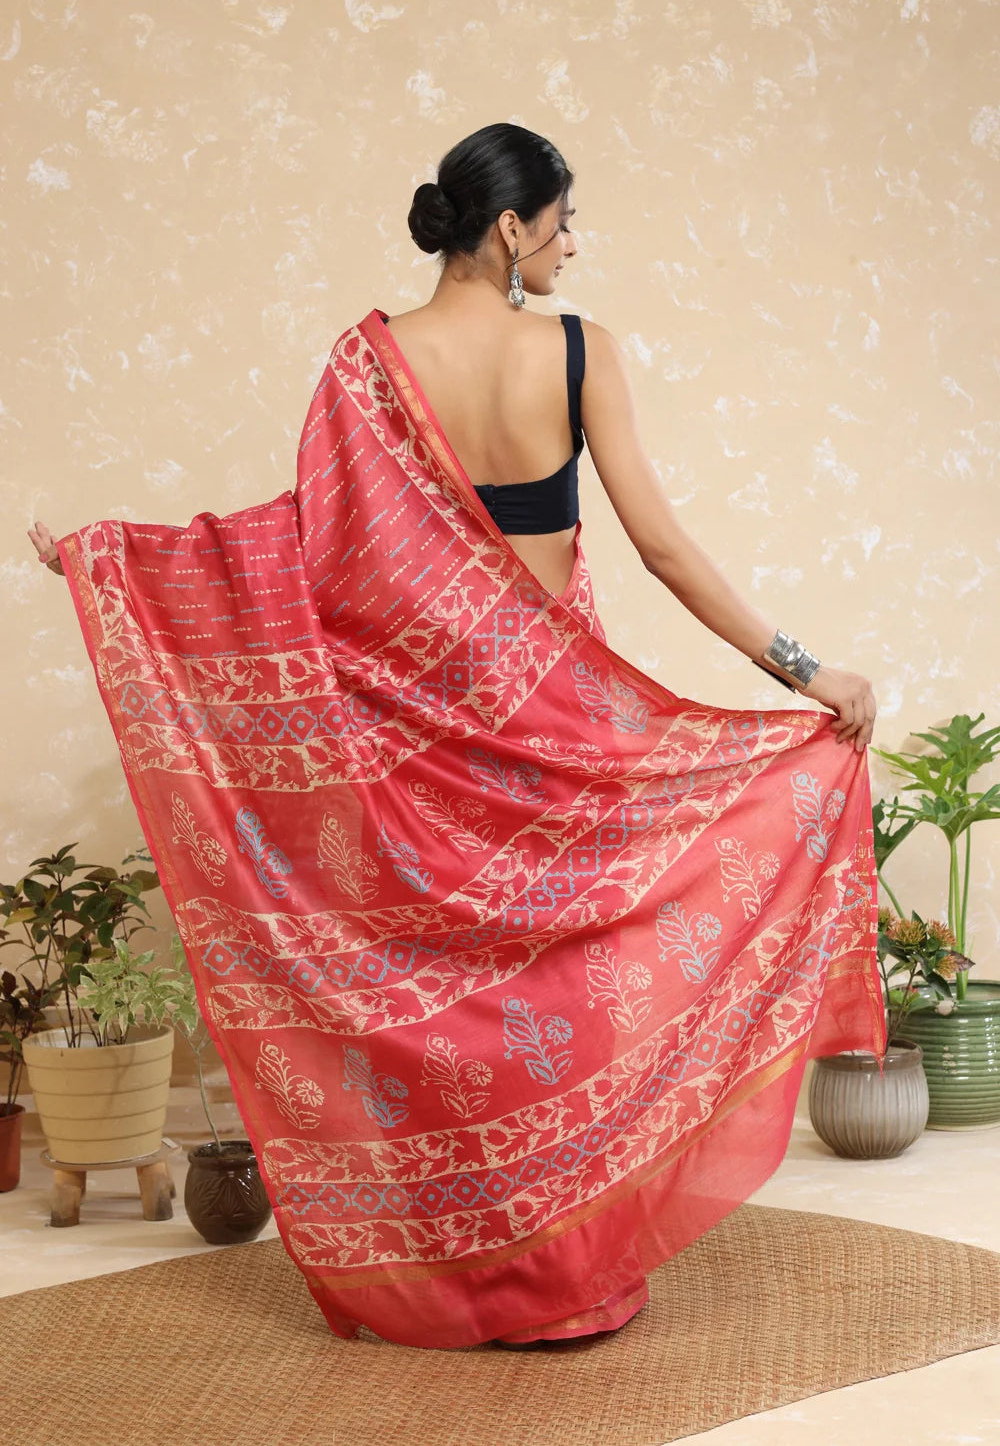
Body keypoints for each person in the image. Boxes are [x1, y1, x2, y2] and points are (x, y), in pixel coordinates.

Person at [28, 123, 884, 1350]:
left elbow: (294, 553)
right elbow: (661, 546)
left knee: (455, 1006)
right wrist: (804, 670)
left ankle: (466, 1274)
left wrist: (115, 564)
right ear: (510, 226)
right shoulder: (576, 352)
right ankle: (564, 1273)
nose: (572, 246)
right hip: (557, 721)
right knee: (565, 988)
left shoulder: (368, 364)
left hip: (419, 734)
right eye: (564, 223)